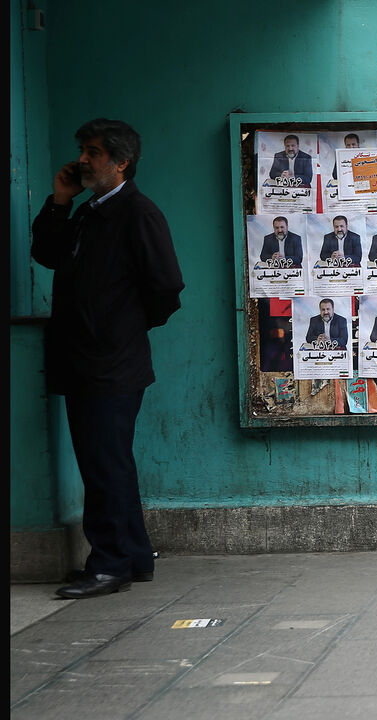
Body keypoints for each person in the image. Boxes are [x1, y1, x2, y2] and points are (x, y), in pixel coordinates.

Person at [31, 118, 184, 598]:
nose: (82, 159)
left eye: (93, 152)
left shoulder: (138, 213)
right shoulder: (88, 211)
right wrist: (60, 200)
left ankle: (110, 564)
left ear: (121, 162)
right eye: (82, 149)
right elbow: (48, 254)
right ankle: (133, 557)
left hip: (111, 361)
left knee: (104, 463)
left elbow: (167, 287)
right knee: (108, 461)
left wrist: (120, 328)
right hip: (83, 359)